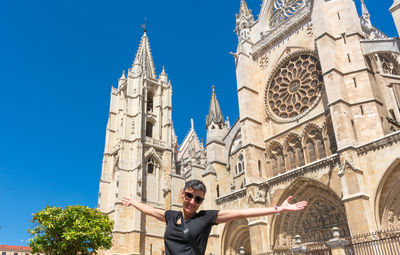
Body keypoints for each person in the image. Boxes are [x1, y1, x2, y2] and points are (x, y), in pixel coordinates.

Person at [122, 179, 307, 255]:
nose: (192, 201)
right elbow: (150, 210)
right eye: (189, 195)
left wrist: (277, 209)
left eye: (198, 199)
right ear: (182, 194)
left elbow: (241, 213)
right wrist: (133, 202)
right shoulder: (171, 216)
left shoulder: (205, 218)